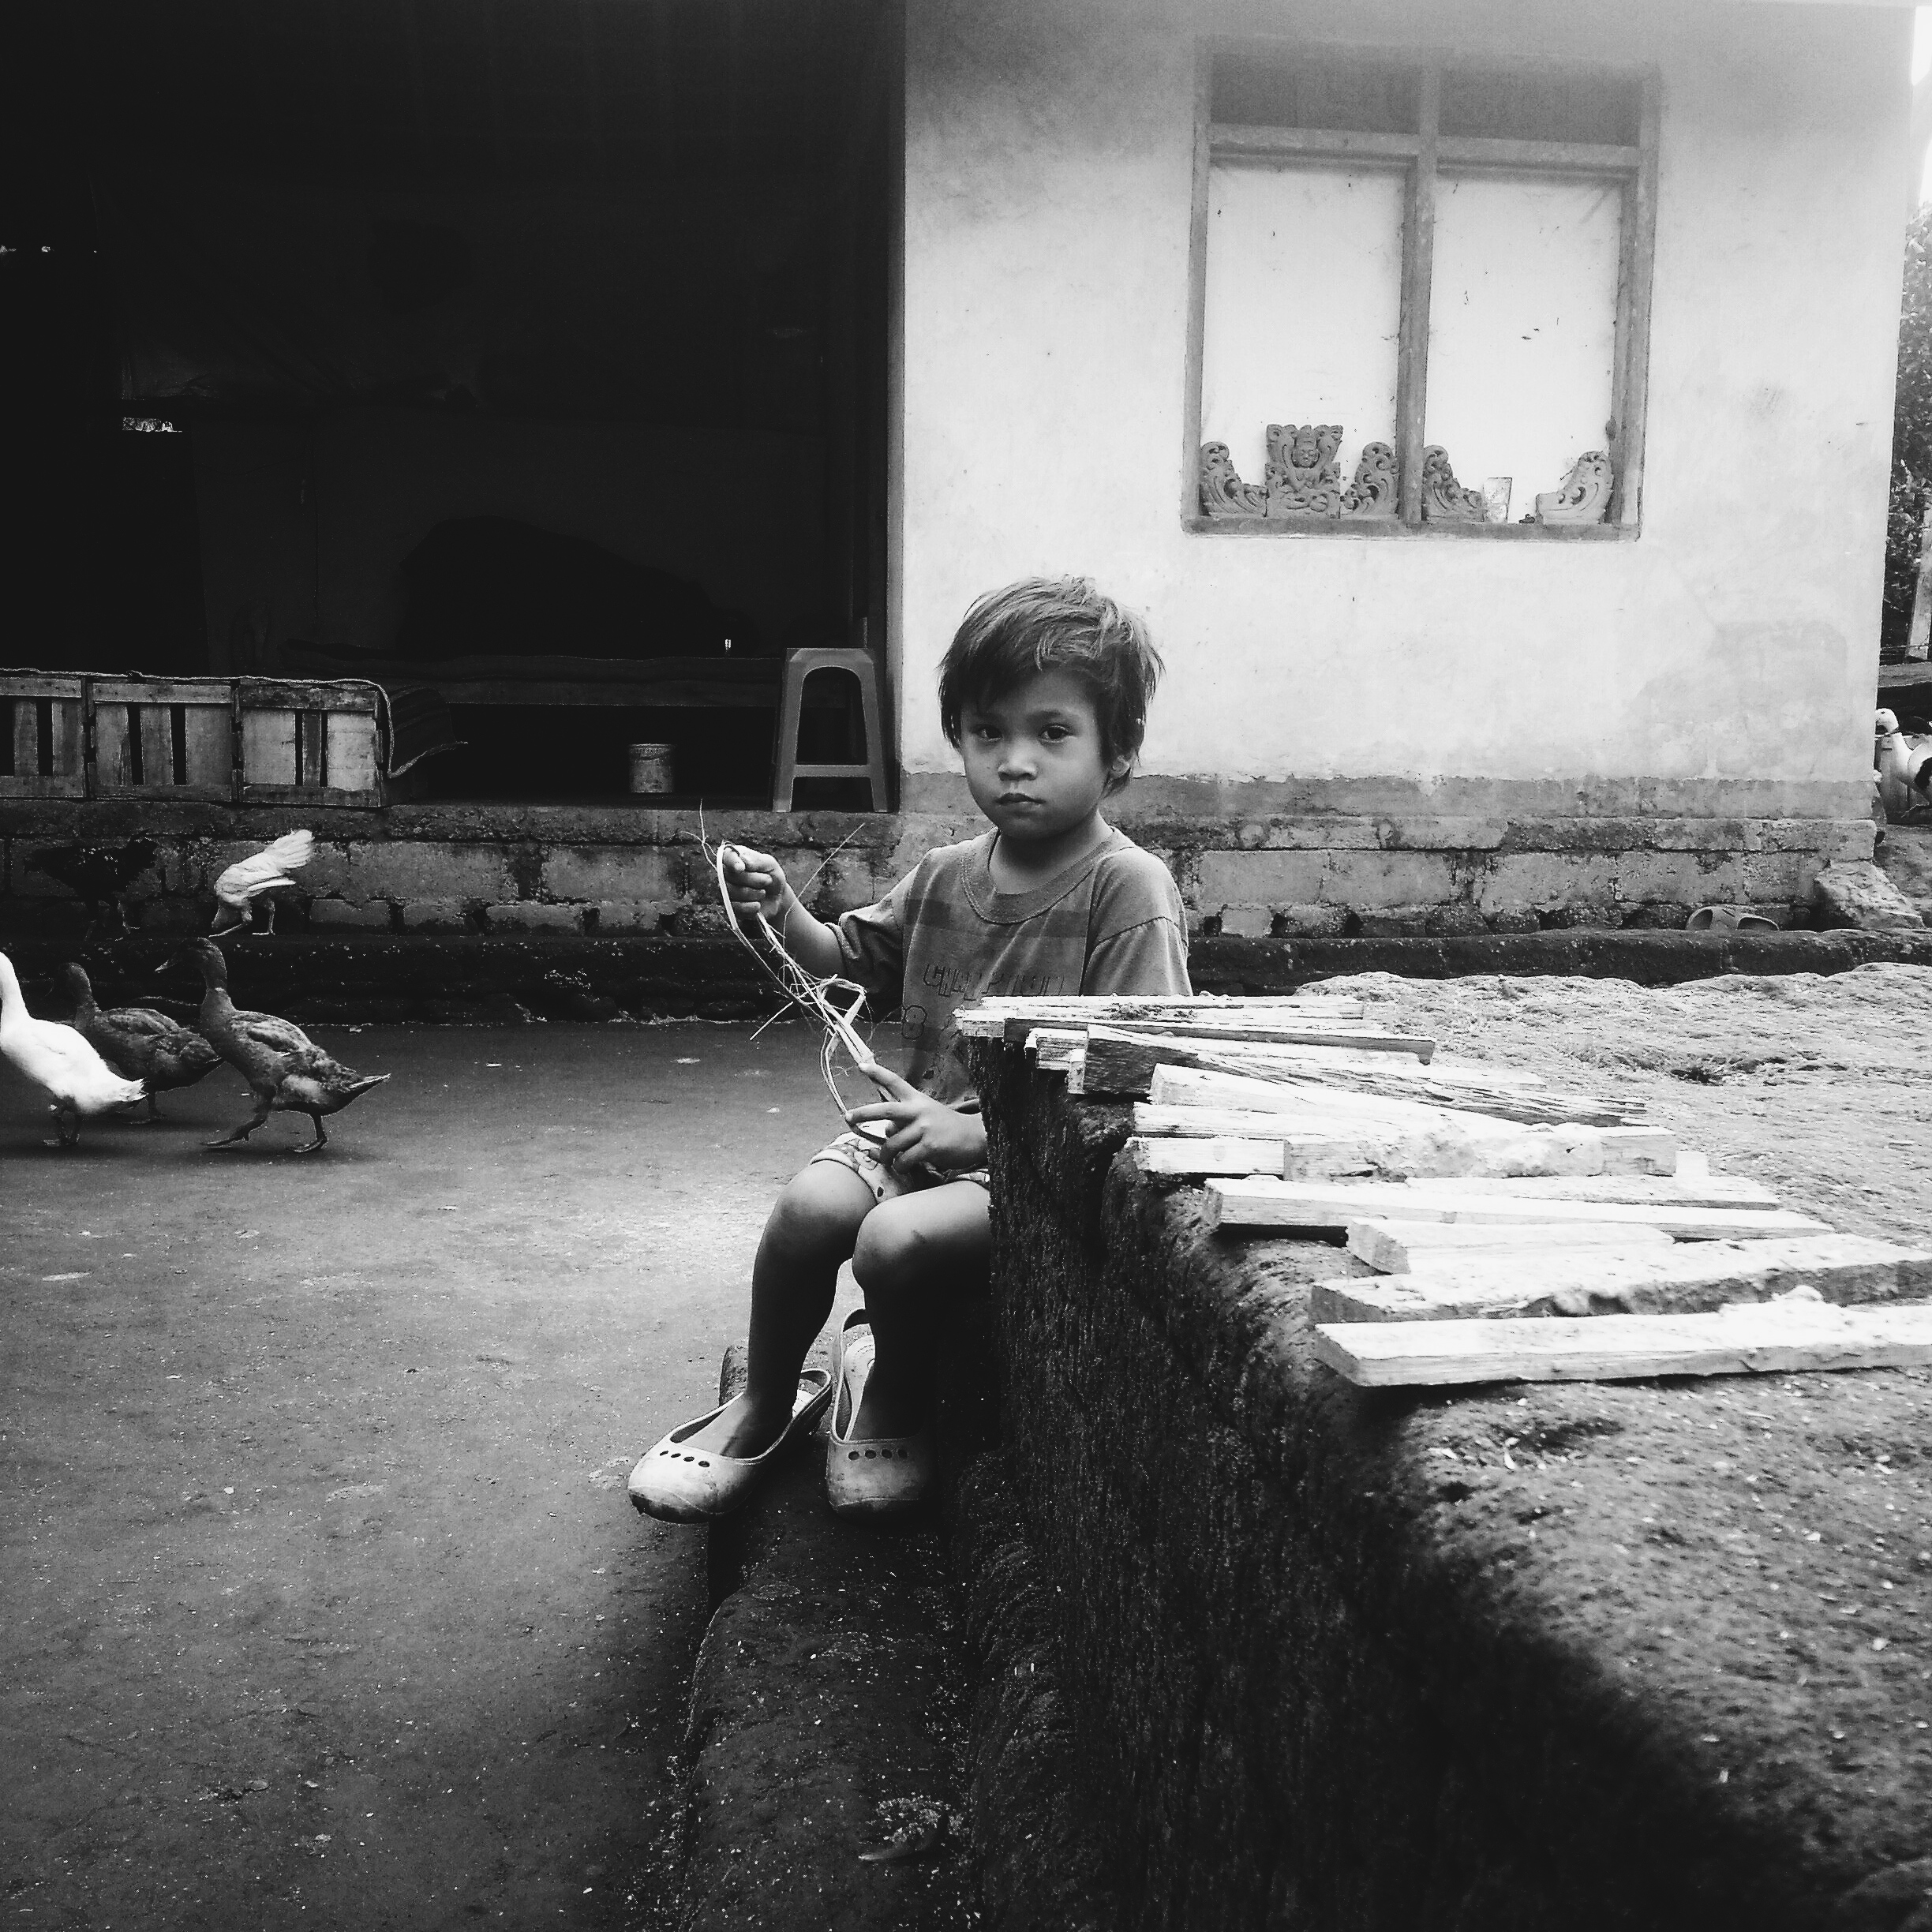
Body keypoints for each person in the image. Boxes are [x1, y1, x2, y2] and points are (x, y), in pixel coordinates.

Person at [629, 577, 1190, 1523]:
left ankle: (890, 1391)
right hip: (906, 1141)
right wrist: (785, 914)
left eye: (1052, 734)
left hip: (1023, 1173)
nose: (1015, 763)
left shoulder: (1127, 891)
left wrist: (979, 1138)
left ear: (1118, 750)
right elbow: (851, 959)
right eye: (986, 733)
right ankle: (769, 1401)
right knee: (809, 1210)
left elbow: (1147, 1070)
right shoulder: (944, 876)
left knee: (891, 1240)